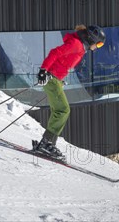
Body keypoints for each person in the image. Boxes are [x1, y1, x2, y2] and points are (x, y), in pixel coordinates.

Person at [33, 25, 106, 161]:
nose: (98, 47)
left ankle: (47, 143)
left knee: (58, 111)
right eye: (99, 44)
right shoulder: (76, 45)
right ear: (92, 39)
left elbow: (62, 62)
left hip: (55, 79)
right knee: (63, 110)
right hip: (50, 78)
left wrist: (60, 78)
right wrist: (43, 70)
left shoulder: (80, 47)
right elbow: (55, 52)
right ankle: (46, 143)